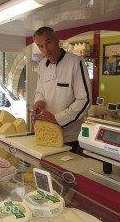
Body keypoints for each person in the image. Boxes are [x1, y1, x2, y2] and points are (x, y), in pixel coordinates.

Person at [32, 26, 92, 154]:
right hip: (46, 132)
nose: (46, 50)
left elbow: (84, 100)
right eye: (40, 46)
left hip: (68, 137)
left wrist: (57, 118)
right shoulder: (42, 65)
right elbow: (40, 91)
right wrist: (39, 101)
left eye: (48, 43)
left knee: (64, 172)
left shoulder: (76, 62)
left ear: (57, 40)